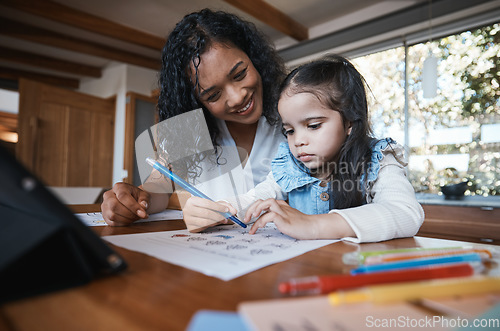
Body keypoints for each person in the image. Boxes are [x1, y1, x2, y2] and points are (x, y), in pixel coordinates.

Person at [186, 54, 424, 243]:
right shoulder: (289, 165)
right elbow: (257, 198)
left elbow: (406, 214)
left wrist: (314, 225)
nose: (298, 141)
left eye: (313, 125)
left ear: (350, 121)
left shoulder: (379, 159)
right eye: (289, 130)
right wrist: (224, 209)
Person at [101, 9, 286, 228]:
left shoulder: (293, 115)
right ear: (195, 100)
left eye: (240, 74)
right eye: (213, 95)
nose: (237, 98)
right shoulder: (186, 131)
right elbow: (158, 188)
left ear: (253, 58)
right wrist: (136, 199)